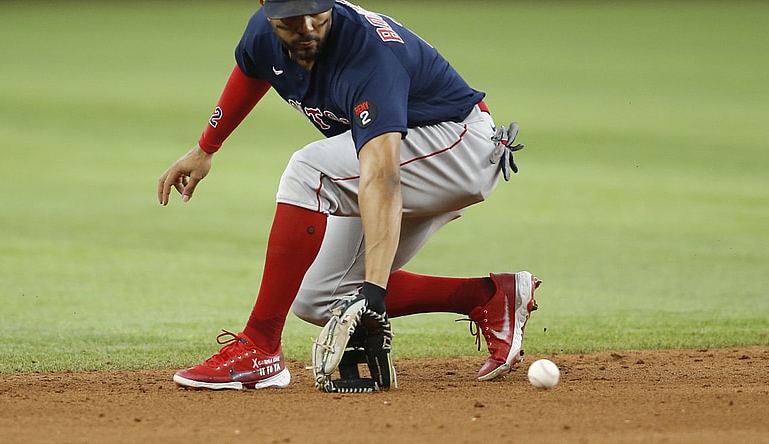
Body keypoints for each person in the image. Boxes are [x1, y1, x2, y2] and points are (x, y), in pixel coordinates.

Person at [158, 0, 541, 391]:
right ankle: (491, 297)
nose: (307, 26)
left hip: (459, 146)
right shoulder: (264, 30)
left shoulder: (368, 57)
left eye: (315, 12)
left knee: (310, 170)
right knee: (318, 297)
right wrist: (206, 147)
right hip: (408, 149)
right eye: (292, 17)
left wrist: (374, 293)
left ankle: (260, 347)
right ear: (267, 9)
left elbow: (382, 176)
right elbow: (253, 68)